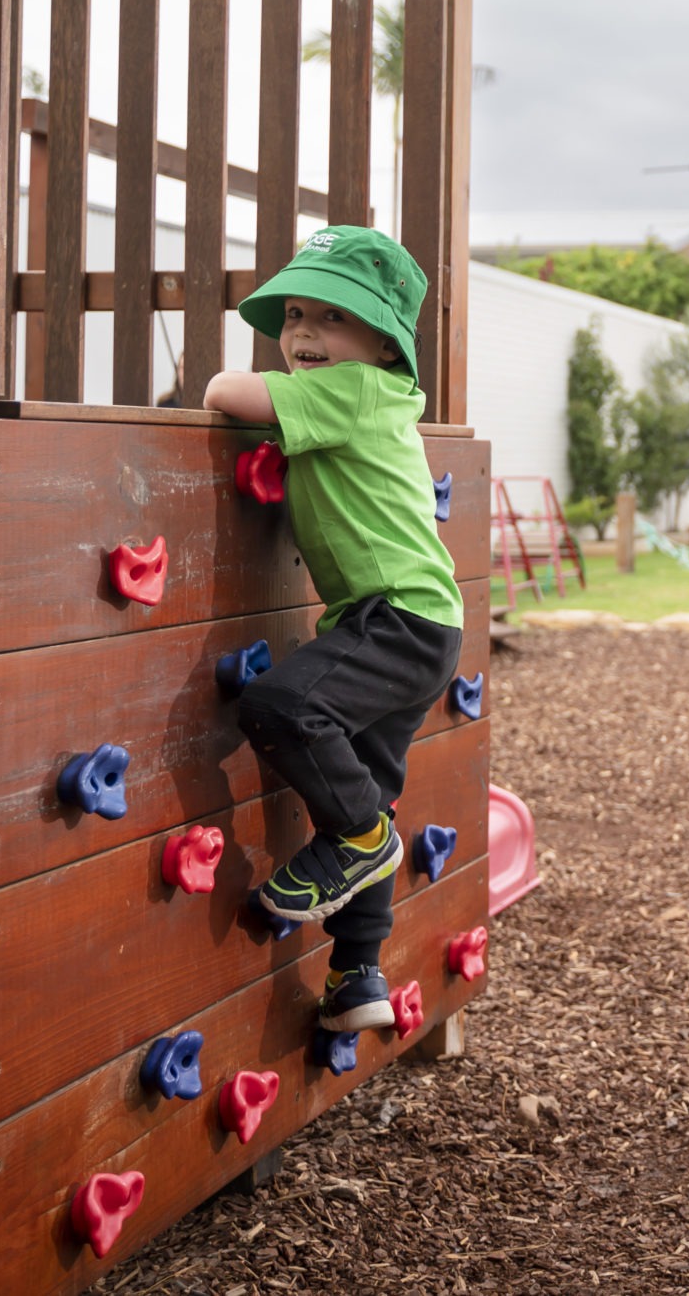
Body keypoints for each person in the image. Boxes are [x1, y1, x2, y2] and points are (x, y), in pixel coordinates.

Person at [204, 226, 465, 1034]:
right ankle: (357, 975)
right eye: (293, 316)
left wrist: (222, 374)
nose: (303, 334)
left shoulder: (354, 391)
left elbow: (228, 394)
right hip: (410, 622)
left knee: (280, 708)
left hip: (397, 617)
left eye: (331, 317)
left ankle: (357, 839)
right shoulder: (367, 396)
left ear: (384, 346)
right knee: (372, 789)